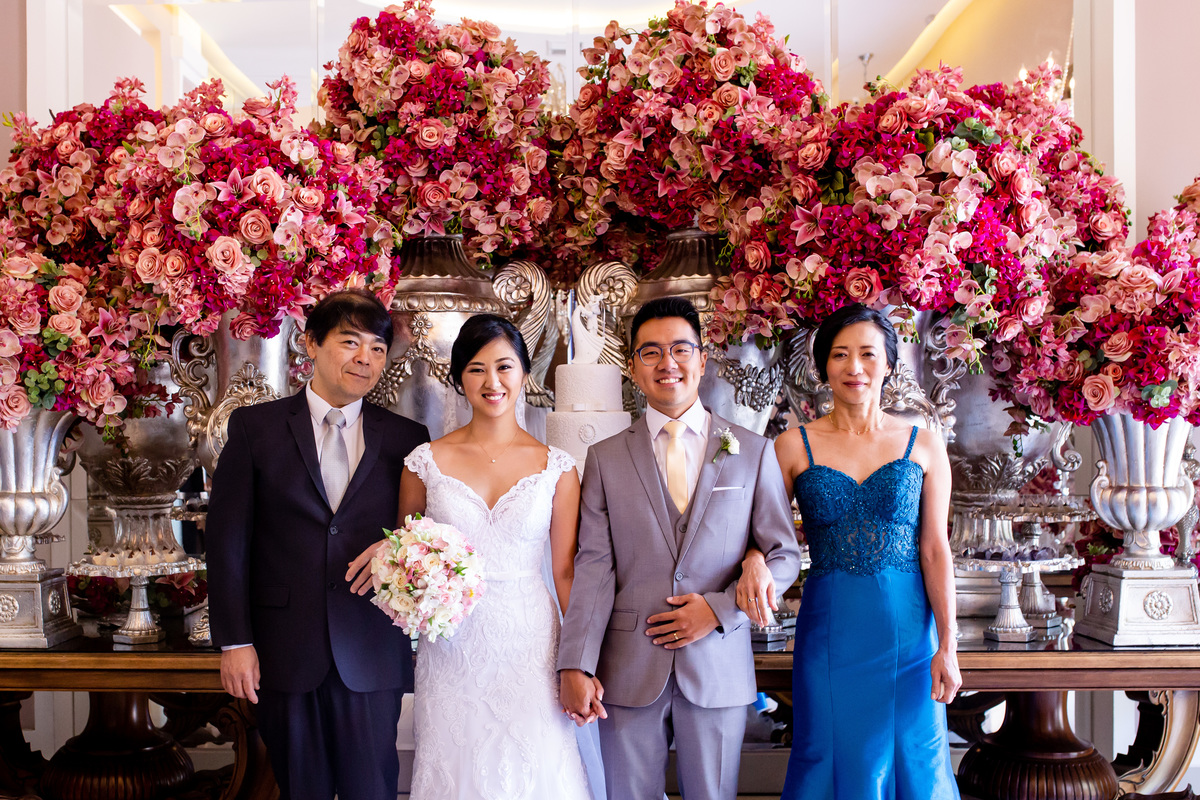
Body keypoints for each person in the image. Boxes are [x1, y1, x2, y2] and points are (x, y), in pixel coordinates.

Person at [558, 296, 802, 800]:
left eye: (680, 349)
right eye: (650, 352)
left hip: (717, 665)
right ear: (633, 367)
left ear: (702, 359)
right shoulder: (604, 459)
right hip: (627, 669)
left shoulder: (753, 451)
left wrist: (717, 610)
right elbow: (594, 569)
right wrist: (575, 663)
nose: (667, 363)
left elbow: (783, 555)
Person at [348, 313, 592, 800]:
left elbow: (566, 572)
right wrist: (392, 558)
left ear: (525, 373)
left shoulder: (558, 469)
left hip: (531, 641)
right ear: (460, 378)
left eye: (504, 367)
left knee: (535, 762)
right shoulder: (424, 462)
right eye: (477, 369)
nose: (492, 382)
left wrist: (580, 662)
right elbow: (407, 550)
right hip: (451, 643)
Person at [207, 289, 430, 800]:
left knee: (372, 788)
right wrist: (235, 642)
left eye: (377, 348)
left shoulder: (408, 437)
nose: (365, 358)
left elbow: (422, 532)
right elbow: (227, 541)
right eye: (350, 342)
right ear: (311, 343)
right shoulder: (255, 428)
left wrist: (398, 548)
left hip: (370, 645)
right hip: (283, 648)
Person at [738, 303, 961, 800]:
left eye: (867, 354)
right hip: (830, 634)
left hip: (909, 637)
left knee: (915, 758)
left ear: (889, 363)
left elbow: (935, 549)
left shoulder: (924, 445)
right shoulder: (791, 446)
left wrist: (948, 644)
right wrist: (754, 558)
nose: (854, 367)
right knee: (827, 752)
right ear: (823, 367)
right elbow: (760, 532)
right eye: (840, 355)